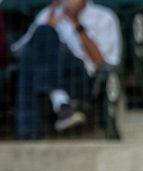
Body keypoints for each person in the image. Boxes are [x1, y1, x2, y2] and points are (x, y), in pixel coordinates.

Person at [11, 0, 122, 138]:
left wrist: (77, 24)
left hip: (83, 78)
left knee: (43, 43)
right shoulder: (47, 14)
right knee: (43, 34)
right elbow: (20, 51)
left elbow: (101, 62)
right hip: (45, 75)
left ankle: (28, 130)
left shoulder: (104, 16)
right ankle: (61, 104)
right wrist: (48, 26)